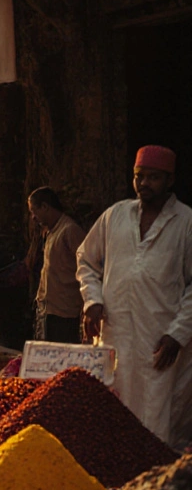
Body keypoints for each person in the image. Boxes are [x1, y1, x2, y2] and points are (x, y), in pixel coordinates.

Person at [77, 145, 192, 448]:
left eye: (153, 178)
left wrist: (177, 334)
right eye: (139, 176)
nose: (144, 184)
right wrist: (93, 300)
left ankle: (157, 487)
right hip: (116, 336)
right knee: (114, 414)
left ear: (170, 180)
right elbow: (86, 260)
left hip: (161, 342)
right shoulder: (116, 215)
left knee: (157, 419)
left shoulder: (187, 222)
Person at [28, 187, 86, 343]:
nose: (33, 217)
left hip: (65, 312)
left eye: (34, 211)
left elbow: (87, 267)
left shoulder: (70, 231)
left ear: (45, 207)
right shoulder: (50, 232)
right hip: (48, 309)